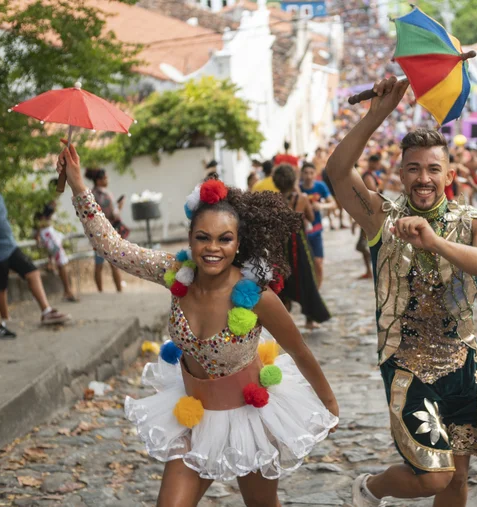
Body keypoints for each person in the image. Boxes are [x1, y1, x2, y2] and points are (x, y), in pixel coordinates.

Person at [58, 143, 338, 506]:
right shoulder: (173, 272)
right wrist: (80, 188)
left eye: (225, 239)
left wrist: (329, 405)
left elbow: (299, 350)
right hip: (194, 411)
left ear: (238, 244)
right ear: (190, 238)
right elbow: (112, 247)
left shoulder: (256, 296)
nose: (213, 248)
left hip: (247, 414)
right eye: (203, 237)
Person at [326, 77, 477, 507]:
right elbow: (335, 173)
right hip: (406, 364)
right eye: (414, 168)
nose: (423, 178)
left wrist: (434, 241)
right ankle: (369, 489)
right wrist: (378, 113)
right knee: (433, 477)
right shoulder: (380, 218)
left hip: (463, 363)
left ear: (450, 174)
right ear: (401, 173)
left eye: (433, 169)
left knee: (458, 480)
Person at [0, 172, 70, 328]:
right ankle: (6, 320)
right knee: (1, 287)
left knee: (33, 272)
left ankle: (46, 311)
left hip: (11, 247)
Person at [273, 164, 331, 330]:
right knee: (307, 279)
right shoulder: (302, 199)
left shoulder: (274, 200)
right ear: (294, 181)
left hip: (280, 245)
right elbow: (311, 217)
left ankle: (285, 321)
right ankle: (310, 320)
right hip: (299, 245)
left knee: (282, 281)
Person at [33, 179, 78, 302]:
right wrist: (37, 233)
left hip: (48, 231)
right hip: (46, 232)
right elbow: (39, 220)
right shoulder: (47, 202)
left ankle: (51, 263)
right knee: (62, 261)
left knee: (61, 259)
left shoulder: (48, 200)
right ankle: (67, 291)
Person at [85, 168, 127, 293]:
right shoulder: (105, 195)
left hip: (96, 232)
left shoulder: (91, 194)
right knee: (114, 263)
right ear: (99, 180)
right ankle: (119, 290)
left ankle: (100, 292)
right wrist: (120, 206)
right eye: (105, 178)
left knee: (98, 264)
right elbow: (114, 215)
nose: (107, 180)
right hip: (108, 231)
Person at [299, 162, 335, 288]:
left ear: (315, 174)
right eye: (305, 173)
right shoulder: (298, 189)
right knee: (305, 265)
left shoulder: (320, 186)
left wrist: (321, 206)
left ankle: (317, 292)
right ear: (301, 174)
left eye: (311, 173)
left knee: (318, 263)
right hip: (301, 233)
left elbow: (333, 204)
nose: (308, 176)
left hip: (316, 231)